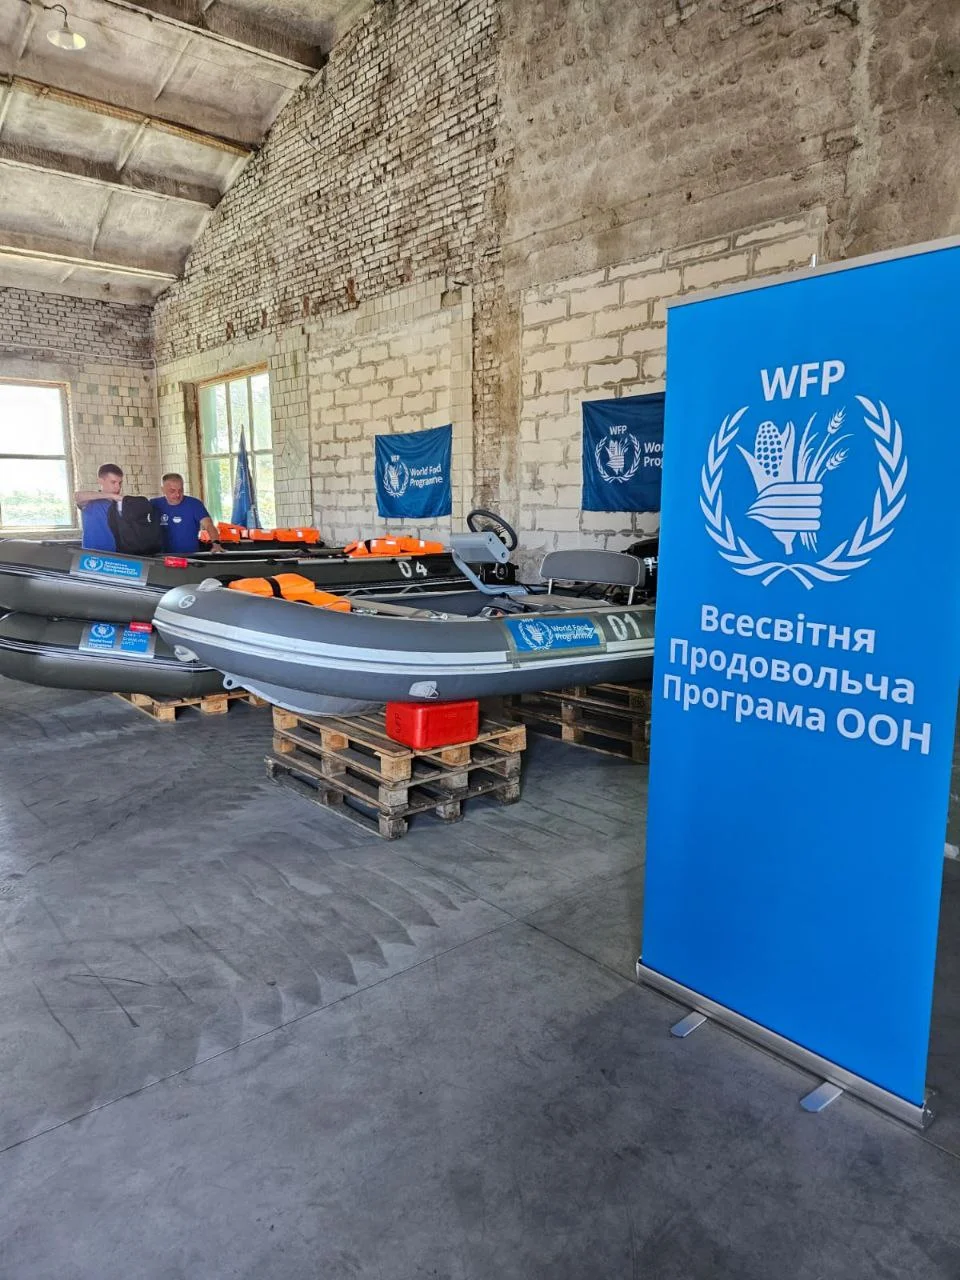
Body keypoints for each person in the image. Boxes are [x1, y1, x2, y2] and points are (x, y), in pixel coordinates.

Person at [151, 473, 223, 555]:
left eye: (180, 490)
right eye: (172, 491)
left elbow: (209, 525)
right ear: (163, 489)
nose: (177, 495)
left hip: (191, 557)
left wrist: (216, 544)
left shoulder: (194, 504)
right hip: (162, 557)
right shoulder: (153, 504)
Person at [75, 462, 123, 552]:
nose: (118, 487)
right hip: (93, 556)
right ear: (100, 481)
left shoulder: (119, 504)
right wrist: (112, 496)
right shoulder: (90, 502)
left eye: (120, 483)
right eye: (113, 482)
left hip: (116, 556)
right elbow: (78, 496)